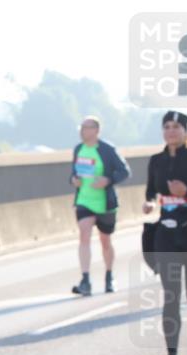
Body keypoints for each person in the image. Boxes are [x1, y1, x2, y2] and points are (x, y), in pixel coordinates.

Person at [141, 110, 187, 355]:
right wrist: (150, 202)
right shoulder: (156, 160)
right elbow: (151, 191)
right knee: (171, 295)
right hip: (166, 234)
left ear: (186, 131)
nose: (171, 131)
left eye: (176, 126)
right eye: (166, 126)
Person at [69, 116, 131, 296]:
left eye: (86, 128)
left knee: (105, 241)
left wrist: (108, 180)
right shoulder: (79, 149)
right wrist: (74, 180)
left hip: (105, 203)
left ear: (96, 130)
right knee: (84, 235)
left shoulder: (107, 150)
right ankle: (85, 280)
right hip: (84, 200)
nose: (82, 131)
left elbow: (124, 171)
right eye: (81, 127)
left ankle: (109, 276)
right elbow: (73, 173)